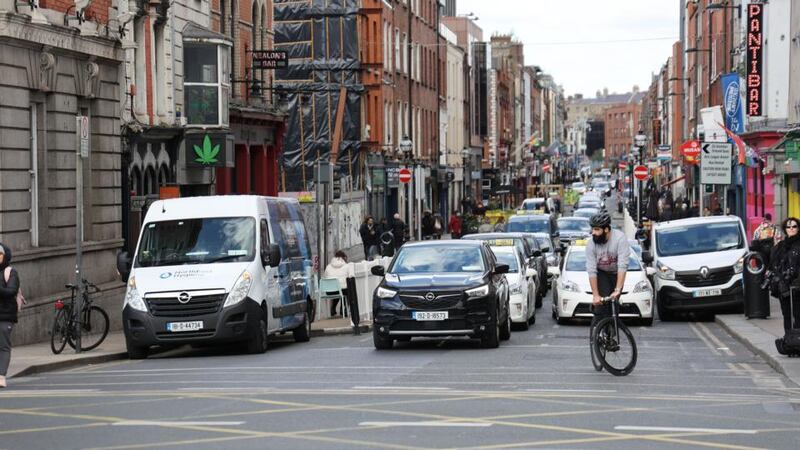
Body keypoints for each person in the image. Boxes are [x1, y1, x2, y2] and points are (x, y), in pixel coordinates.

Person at [586, 212, 631, 331]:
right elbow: (591, 270)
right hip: (602, 273)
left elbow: (622, 266)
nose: (593, 233)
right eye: (592, 229)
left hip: (616, 273)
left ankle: (612, 334)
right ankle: (599, 333)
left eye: (596, 229)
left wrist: (618, 290)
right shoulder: (591, 244)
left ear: (606, 229)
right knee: (602, 304)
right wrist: (595, 295)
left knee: (614, 305)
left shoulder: (620, 239)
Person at [769, 218, 800, 352]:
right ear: (785, 229)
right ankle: (790, 342)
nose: (791, 229)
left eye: (794, 226)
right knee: (787, 314)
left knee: (798, 315)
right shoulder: (780, 246)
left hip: (798, 287)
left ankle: (797, 342)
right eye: (789, 227)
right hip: (784, 288)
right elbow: (773, 265)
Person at [0, 243, 20, 388]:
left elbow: (11, 291)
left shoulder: (10, 272)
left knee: (3, 346)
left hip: (5, 315)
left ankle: (1, 377)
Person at [322, 251, 352, 317]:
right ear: (344, 258)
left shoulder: (328, 266)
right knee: (345, 290)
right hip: (341, 290)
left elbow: (325, 277)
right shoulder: (347, 266)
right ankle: (343, 310)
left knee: (337, 289)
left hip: (329, 291)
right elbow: (350, 277)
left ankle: (333, 308)